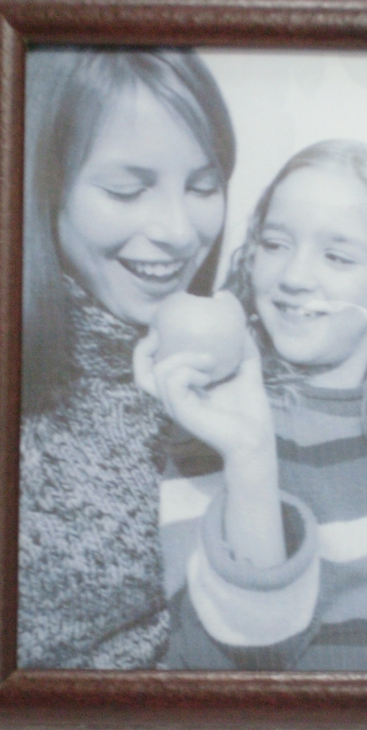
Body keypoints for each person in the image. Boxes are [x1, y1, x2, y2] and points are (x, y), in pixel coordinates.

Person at [135, 139, 367, 671]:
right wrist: (250, 456)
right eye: (274, 244)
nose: (293, 277)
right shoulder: (216, 420)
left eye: (336, 256)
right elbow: (223, 662)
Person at [17, 47, 235, 669]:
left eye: (203, 187)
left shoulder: (240, 360)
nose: (178, 231)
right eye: (127, 190)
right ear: (43, 189)